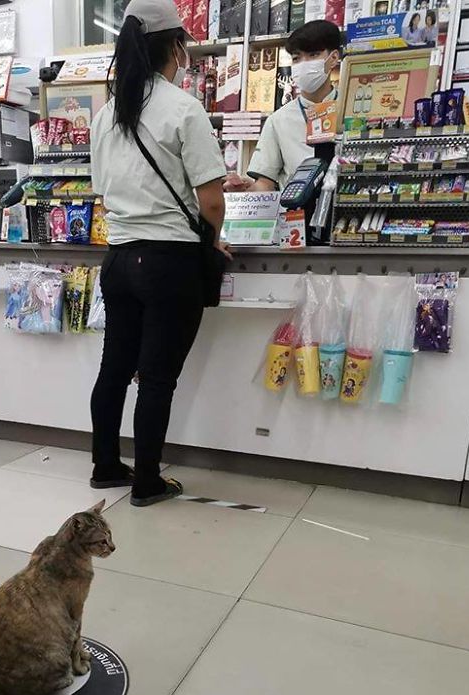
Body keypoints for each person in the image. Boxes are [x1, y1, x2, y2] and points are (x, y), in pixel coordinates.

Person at [89, 0, 228, 507]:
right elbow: (211, 199)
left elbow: (105, 190)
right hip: (169, 262)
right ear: (175, 46)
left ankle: (105, 465)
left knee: (114, 370)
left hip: (119, 260)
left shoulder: (106, 115)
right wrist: (210, 239)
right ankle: (148, 481)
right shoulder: (182, 108)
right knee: (157, 378)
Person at [225, 20, 341, 193]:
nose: (304, 63)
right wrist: (242, 191)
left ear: (333, 58)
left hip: (350, 213)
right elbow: (265, 184)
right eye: (296, 58)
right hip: (296, 215)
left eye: (313, 54)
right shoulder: (278, 120)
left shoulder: (350, 109)